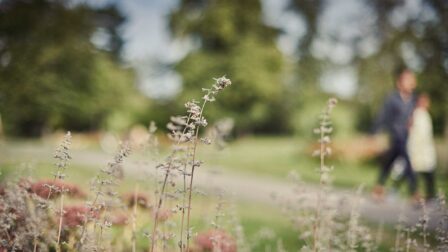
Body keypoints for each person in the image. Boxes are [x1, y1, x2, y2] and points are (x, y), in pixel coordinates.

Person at [371, 67, 418, 202]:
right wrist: (375, 132)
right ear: (399, 83)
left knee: (388, 163)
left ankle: (379, 187)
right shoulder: (392, 98)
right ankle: (414, 192)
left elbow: (412, 116)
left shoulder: (413, 99)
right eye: (407, 80)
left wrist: (411, 123)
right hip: (395, 135)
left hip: (405, 135)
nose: (410, 82)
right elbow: (383, 116)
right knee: (407, 162)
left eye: (412, 80)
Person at [407, 94, 437, 201]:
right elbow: (413, 132)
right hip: (418, 148)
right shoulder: (416, 114)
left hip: (425, 149)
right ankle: (415, 194)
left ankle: (430, 194)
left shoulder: (425, 114)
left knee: (428, 173)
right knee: (416, 172)